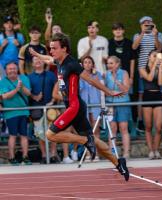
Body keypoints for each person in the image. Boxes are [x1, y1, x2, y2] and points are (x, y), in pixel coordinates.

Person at [29, 33, 129, 181]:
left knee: (50, 135)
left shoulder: (72, 64)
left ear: (64, 49)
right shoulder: (58, 61)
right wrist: (38, 54)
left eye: (54, 48)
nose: (51, 51)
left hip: (74, 107)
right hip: (74, 106)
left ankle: (84, 141)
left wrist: (109, 92)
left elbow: (91, 80)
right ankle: (119, 163)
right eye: (50, 48)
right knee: (94, 140)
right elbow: (49, 59)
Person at [132, 16, 162, 132]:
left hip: (156, 66)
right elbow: (134, 46)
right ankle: (140, 120)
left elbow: (159, 48)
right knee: (142, 94)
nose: (147, 25)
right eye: (144, 24)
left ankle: (160, 119)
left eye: (149, 23)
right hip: (143, 67)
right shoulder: (137, 35)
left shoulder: (158, 34)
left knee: (159, 88)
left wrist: (155, 35)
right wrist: (142, 33)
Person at [0, 62, 31, 165]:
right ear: (6, 71)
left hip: (24, 112)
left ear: (17, 69)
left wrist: (21, 87)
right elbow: (4, 96)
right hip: (11, 113)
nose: (12, 70)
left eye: (14, 68)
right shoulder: (3, 82)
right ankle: (12, 158)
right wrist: (16, 89)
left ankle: (25, 157)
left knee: (24, 135)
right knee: (12, 135)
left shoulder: (24, 78)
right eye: (10, 69)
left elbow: (29, 93)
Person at [105, 56, 131, 158]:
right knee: (112, 128)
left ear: (117, 64)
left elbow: (126, 90)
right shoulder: (106, 74)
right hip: (110, 104)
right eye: (108, 63)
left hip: (123, 103)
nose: (109, 65)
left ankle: (126, 153)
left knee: (123, 128)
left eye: (111, 63)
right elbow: (104, 89)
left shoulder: (124, 73)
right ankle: (112, 153)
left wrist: (118, 82)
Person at [139, 50, 162, 159]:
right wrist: (154, 66)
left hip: (158, 95)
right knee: (148, 126)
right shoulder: (142, 68)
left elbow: (160, 83)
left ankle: (156, 150)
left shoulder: (158, 68)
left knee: (158, 127)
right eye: (154, 56)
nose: (156, 58)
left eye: (157, 56)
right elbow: (149, 78)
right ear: (149, 57)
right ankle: (151, 150)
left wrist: (160, 67)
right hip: (147, 96)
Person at [79, 56, 102, 159]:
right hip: (84, 105)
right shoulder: (79, 76)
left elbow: (101, 88)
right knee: (86, 132)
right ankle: (88, 153)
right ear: (82, 64)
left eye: (89, 62)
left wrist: (95, 80)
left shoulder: (98, 75)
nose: (87, 64)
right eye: (85, 62)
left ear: (92, 64)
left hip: (95, 105)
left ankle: (96, 153)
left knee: (95, 130)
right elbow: (79, 89)